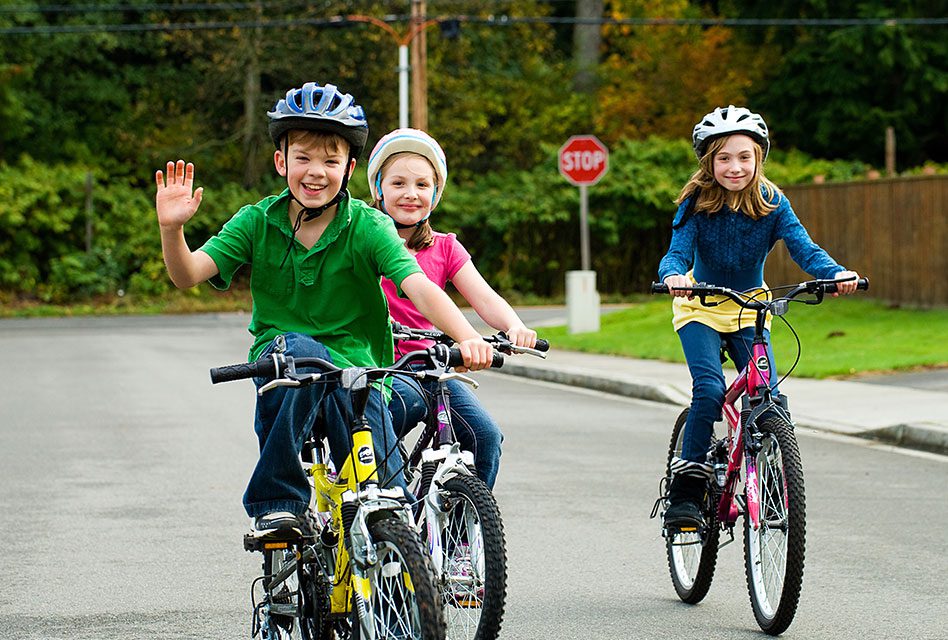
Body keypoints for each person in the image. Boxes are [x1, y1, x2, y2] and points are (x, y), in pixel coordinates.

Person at [153, 82, 494, 533]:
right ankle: (279, 500)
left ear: (349, 168)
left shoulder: (368, 225)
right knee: (299, 350)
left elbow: (420, 287)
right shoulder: (255, 222)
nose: (316, 172)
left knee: (390, 504)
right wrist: (171, 230)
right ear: (281, 162)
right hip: (289, 364)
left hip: (360, 373)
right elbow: (188, 273)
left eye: (330, 161)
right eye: (303, 158)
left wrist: (467, 336)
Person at [657, 105, 860, 528]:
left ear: (759, 158)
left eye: (744, 157)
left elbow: (803, 248)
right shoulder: (697, 203)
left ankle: (770, 484)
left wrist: (835, 274)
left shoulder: (772, 202)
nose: (735, 167)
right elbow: (677, 252)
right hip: (701, 307)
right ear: (709, 161)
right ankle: (686, 494)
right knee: (710, 390)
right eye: (724, 157)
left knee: (767, 394)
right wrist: (674, 275)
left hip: (751, 307)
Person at [365, 128, 537, 488]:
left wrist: (515, 326)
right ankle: (391, 520)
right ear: (378, 189)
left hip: (432, 365)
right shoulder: (364, 241)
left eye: (422, 185)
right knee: (379, 437)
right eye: (398, 183)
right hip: (379, 367)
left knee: (484, 437)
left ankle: (463, 530)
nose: (411, 194)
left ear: (436, 194)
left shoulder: (445, 248)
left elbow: (485, 298)